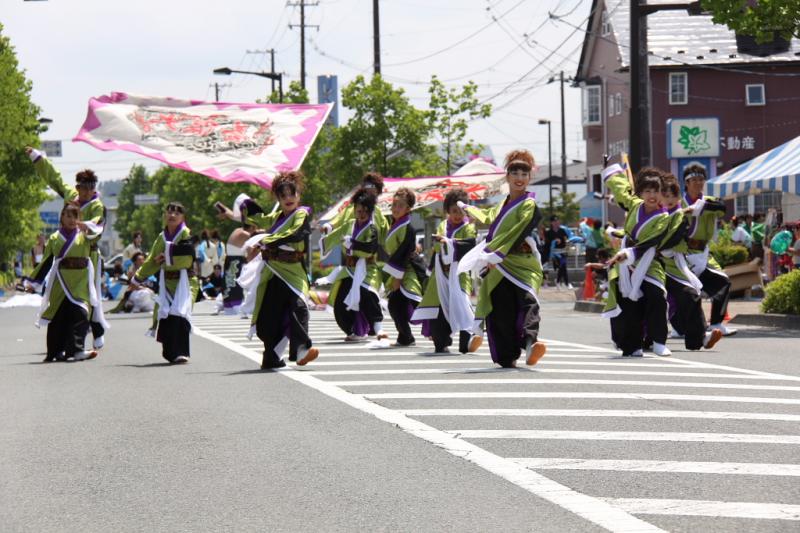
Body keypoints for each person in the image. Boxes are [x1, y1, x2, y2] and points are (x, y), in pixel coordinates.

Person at [458, 149, 546, 368]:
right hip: (498, 263)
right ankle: (508, 355)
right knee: (500, 309)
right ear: (507, 177)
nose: (519, 178)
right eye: (515, 173)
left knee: (528, 302)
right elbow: (489, 217)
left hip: (521, 262)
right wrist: (468, 208)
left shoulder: (528, 204)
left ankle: (529, 345)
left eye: (524, 174)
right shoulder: (501, 204)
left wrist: (497, 253)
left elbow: (516, 231)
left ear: (529, 178)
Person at [26, 146, 108, 350]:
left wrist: (85, 225)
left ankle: (96, 331)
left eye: (90, 187)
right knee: (60, 298)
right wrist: (37, 158)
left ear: (94, 188)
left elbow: (98, 224)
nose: (86, 191)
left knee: (91, 296)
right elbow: (54, 178)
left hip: (87, 257)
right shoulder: (71, 196)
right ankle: (64, 340)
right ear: (78, 187)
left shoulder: (97, 205)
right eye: (82, 187)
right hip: (64, 259)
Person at [242, 172, 319, 369]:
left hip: (293, 272)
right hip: (273, 271)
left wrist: (266, 240)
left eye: (291, 194)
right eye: (282, 195)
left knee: (298, 306)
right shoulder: (276, 217)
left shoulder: (302, 213)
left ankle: (301, 350)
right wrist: (249, 207)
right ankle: (272, 356)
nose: (288, 198)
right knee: (270, 316)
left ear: (298, 195)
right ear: (278, 198)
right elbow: (260, 221)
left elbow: (294, 234)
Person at [601, 165, 672, 357]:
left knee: (657, 297)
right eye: (647, 190)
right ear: (640, 192)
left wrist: (629, 253)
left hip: (650, 262)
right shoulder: (634, 205)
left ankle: (659, 341)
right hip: (625, 264)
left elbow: (652, 241)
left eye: (656, 191)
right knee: (628, 304)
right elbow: (621, 188)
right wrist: (612, 173)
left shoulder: (664, 218)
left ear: (661, 193)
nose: (652, 195)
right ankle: (633, 345)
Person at [26, 204, 103, 362]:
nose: (71, 220)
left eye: (75, 216)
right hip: (61, 281)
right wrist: (34, 283)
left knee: (81, 314)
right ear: (61, 217)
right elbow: (46, 262)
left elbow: (100, 225)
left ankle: (76, 350)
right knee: (58, 317)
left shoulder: (86, 235)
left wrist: (87, 225)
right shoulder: (55, 238)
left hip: (81, 282)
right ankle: (55, 351)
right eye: (68, 216)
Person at [656, 177, 723, 351]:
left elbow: (717, 206)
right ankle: (644, 339)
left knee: (691, 295)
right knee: (653, 300)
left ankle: (700, 338)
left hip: (675, 267)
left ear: (679, 198)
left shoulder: (682, 215)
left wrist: (696, 208)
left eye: (673, 195)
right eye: (665, 195)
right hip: (652, 266)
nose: (669, 199)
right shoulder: (654, 215)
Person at [132, 202, 199, 364]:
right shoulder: (161, 237)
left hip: (185, 281)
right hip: (167, 282)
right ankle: (171, 352)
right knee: (167, 316)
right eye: (169, 212)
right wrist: (138, 277)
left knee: (180, 314)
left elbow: (187, 258)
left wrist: (167, 257)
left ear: (183, 217)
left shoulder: (186, 234)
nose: (172, 215)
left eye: (177, 213)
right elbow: (151, 260)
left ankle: (182, 352)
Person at [412, 188, 476, 353]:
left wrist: (448, 242)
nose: (458, 215)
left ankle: (466, 339)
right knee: (438, 308)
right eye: (454, 211)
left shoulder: (468, 228)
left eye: (461, 211)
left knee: (461, 305)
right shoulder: (442, 226)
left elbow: (469, 245)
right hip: (440, 274)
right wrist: (430, 269)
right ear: (447, 210)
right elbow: (436, 248)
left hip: (459, 274)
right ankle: (441, 340)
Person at [320, 188, 387, 342]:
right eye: (359, 210)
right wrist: (326, 233)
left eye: (365, 211)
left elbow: (370, 248)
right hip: (349, 269)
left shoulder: (372, 228)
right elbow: (336, 236)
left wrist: (353, 244)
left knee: (367, 294)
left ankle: (379, 328)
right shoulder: (350, 224)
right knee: (340, 300)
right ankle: (354, 330)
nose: (361, 214)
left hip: (367, 269)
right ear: (354, 210)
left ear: (370, 211)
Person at [680, 164, 737, 336]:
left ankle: (716, 324)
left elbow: (721, 208)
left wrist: (699, 208)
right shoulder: (678, 204)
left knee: (723, 282)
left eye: (701, 179)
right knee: (683, 292)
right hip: (683, 254)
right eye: (694, 180)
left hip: (703, 253)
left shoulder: (709, 201)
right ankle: (679, 326)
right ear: (686, 183)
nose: (698, 183)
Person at [382, 188, 423, 347]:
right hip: (400, 270)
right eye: (394, 204)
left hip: (408, 271)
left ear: (408, 209)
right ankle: (405, 337)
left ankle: (437, 331)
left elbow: (403, 254)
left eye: (400, 205)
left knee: (417, 303)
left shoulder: (407, 227)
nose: (395, 208)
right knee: (395, 305)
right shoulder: (398, 224)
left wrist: (398, 278)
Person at [545, 215, 571, 288]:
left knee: (563, 266)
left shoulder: (562, 230)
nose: (556, 223)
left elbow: (566, 240)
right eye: (554, 221)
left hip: (562, 251)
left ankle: (565, 283)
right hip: (554, 253)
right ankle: (560, 282)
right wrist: (554, 241)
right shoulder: (548, 232)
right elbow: (547, 244)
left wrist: (567, 246)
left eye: (557, 221)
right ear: (551, 223)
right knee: (561, 267)